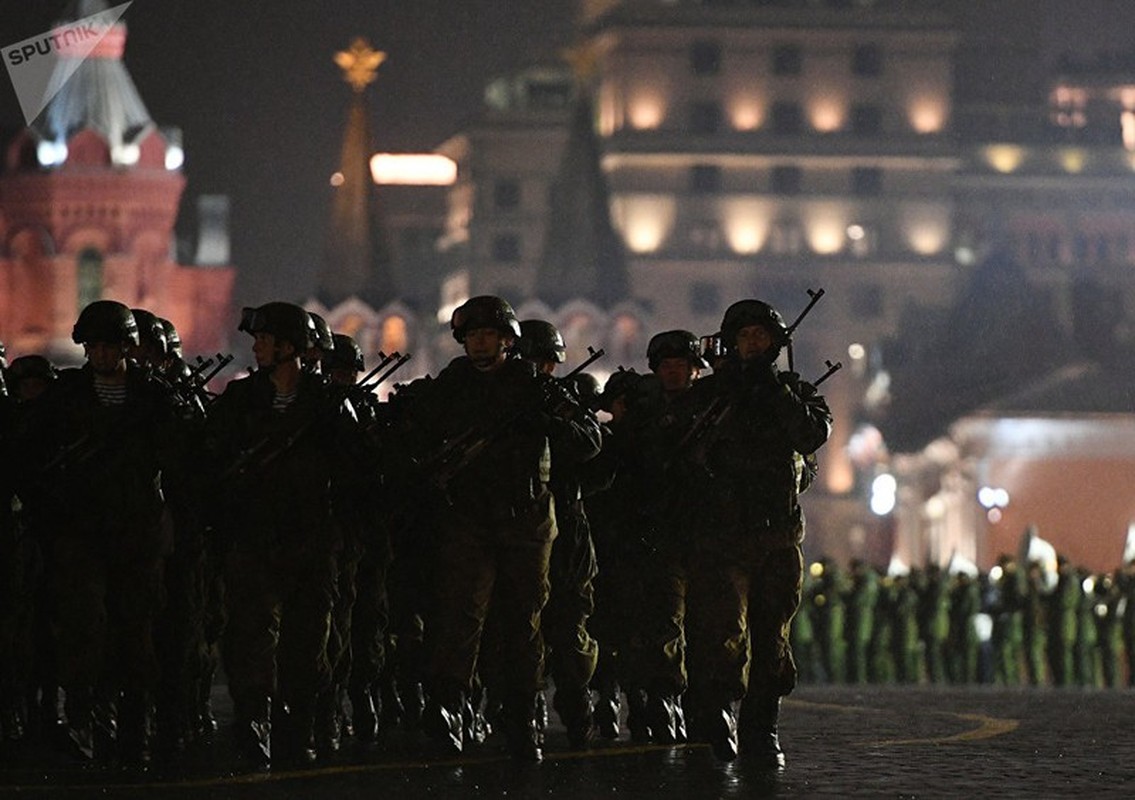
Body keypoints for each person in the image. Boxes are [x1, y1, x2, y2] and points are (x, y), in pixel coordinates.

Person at [401, 296, 599, 761]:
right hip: (467, 519)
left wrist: (552, 419)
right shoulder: (451, 386)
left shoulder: (534, 387)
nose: (479, 343)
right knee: (461, 616)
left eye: (487, 335)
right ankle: (452, 704)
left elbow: (588, 442)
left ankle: (523, 713)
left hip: (525, 520)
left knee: (523, 620)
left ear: (508, 341)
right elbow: (414, 439)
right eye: (471, 336)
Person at [22, 301, 185, 763]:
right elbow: (34, 455)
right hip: (81, 532)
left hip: (135, 531)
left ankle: (134, 722)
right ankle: (83, 716)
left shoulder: (151, 397)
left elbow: (175, 458)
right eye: (92, 347)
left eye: (107, 346)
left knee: (135, 631)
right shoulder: (67, 395)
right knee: (83, 626)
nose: (99, 355)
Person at [676, 299, 832, 765]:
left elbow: (811, 435)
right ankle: (718, 720)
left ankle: (762, 728)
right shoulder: (710, 395)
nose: (752, 344)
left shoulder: (794, 392)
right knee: (723, 633)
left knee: (772, 637)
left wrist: (770, 390)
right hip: (721, 538)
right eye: (744, 337)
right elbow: (677, 450)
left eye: (761, 336)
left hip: (778, 537)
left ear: (776, 343)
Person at [205, 302, 355, 765]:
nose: (257, 347)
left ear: (288, 347)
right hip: (253, 536)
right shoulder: (240, 400)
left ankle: (297, 725)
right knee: (249, 636)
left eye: (266, 340)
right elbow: (211, 461)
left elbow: (357, 469)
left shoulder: (326, 404)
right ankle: (253, 723)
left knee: (307, 639)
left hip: (309, 538)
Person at [516, 318, 601, 749]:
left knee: (570, 623)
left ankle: (576, 702)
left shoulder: (560, 401)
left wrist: (549, 417)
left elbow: (591, 447)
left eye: (543, 362)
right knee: (518, 623)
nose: (537, 369)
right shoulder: (497, 398)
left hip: (566, 528)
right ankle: (522, 706)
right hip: (516, 523)